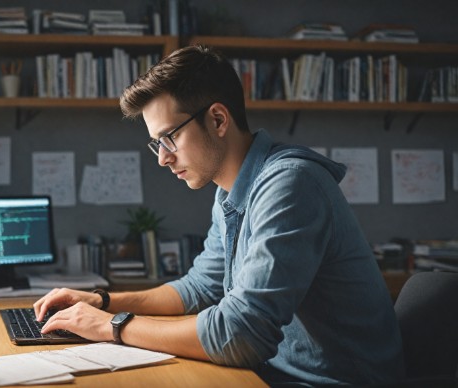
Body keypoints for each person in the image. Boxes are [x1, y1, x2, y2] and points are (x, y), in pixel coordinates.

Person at [34, 45, 404, 386]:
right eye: (155, 144)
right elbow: (199, 289)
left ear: (218, 120)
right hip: (269, 375)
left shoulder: (291, 184)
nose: (162, 158)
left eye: (169, 138)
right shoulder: (230, 190)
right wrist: (103, 302)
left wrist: (113, 326)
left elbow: (241, 334)